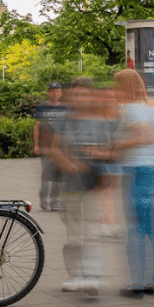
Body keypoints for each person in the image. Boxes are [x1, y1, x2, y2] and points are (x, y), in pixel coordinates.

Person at [48, 78, 108, 295]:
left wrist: (98, 154)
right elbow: (54, 149)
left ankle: (92, 276)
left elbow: (109, 152)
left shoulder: (100, 121)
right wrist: (68, 165)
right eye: (77, 95)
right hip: (71, 186)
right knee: (73, 235)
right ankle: (74, 275)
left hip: (93, 185)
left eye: (85, 94)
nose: (80, 99)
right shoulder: (64, 120)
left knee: (92, 233)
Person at [114, 69, 154, 298]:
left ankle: (136, 283)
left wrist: (117, 146)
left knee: (135, 228)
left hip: (136, 170)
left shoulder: (128, 109)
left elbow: (145, 136)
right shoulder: (150, 108)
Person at [33, 82, 67, 211]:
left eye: (57, 90)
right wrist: (36, 145)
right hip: (45, 146)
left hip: (60, 148)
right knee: (46, 174)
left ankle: (54, 202)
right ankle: (44, 199)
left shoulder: (65, 108)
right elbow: (36, 126)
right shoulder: (41, 107)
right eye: (52, 91)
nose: (55, 93)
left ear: (61, 93)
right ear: (48, 93)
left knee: (58, 175)